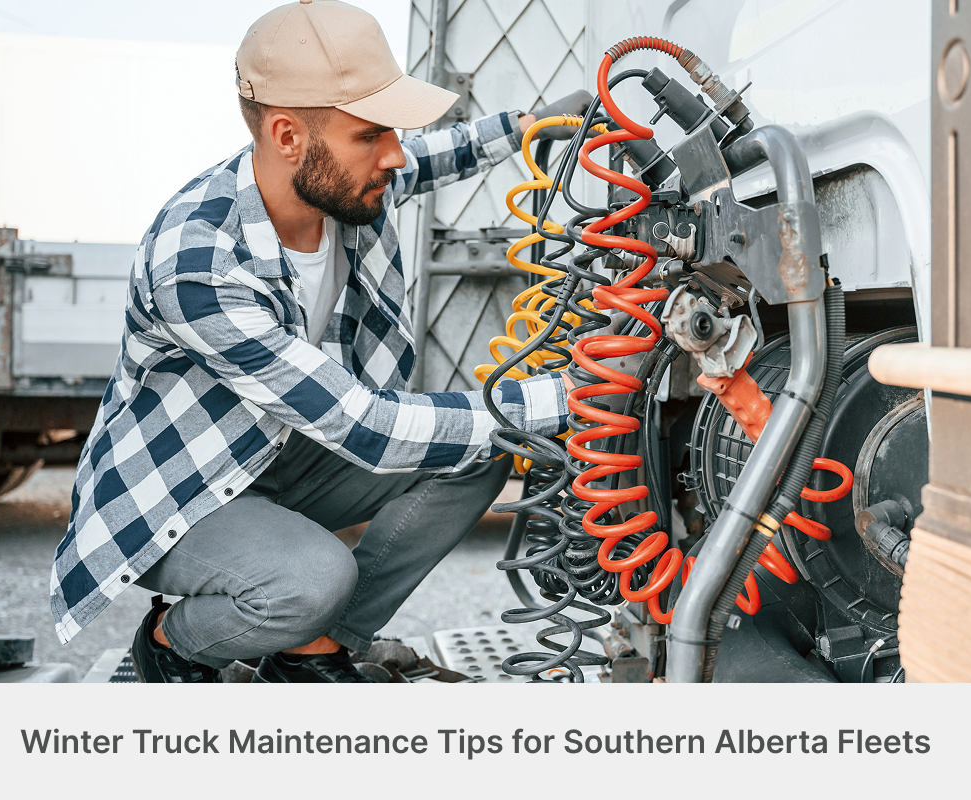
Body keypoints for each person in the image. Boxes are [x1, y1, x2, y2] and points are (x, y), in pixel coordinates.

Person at [48, 0, 590, 682]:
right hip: (184, 492)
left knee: (481, 451)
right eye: (371, 135)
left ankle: (317, 643)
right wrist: (570, 396)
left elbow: (423, 157)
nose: (392, 152)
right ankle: (172, 639)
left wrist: (533, 127)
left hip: (279, 451)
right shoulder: (197, 263)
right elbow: (364, 425)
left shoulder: (337, 180)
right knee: (313, 578)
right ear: (285, 136)